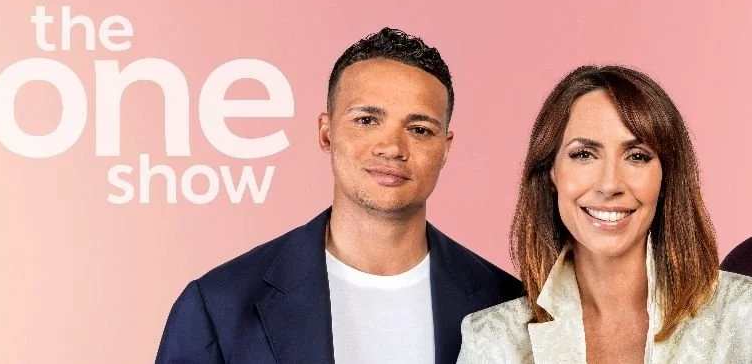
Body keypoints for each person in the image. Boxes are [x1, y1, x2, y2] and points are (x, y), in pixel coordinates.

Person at [156, 28, 523, 364]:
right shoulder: (219, 305)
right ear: (326, 132)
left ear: (445, 148)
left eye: (420, 129)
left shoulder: (509, 306)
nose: (393, 147)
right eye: (367, 120)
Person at [457, 65, 752, 363]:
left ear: (666, 177)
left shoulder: (743, 315)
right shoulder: (492, 339)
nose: (610, 185)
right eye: (584, 154)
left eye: (637, 156)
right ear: (551, 172)